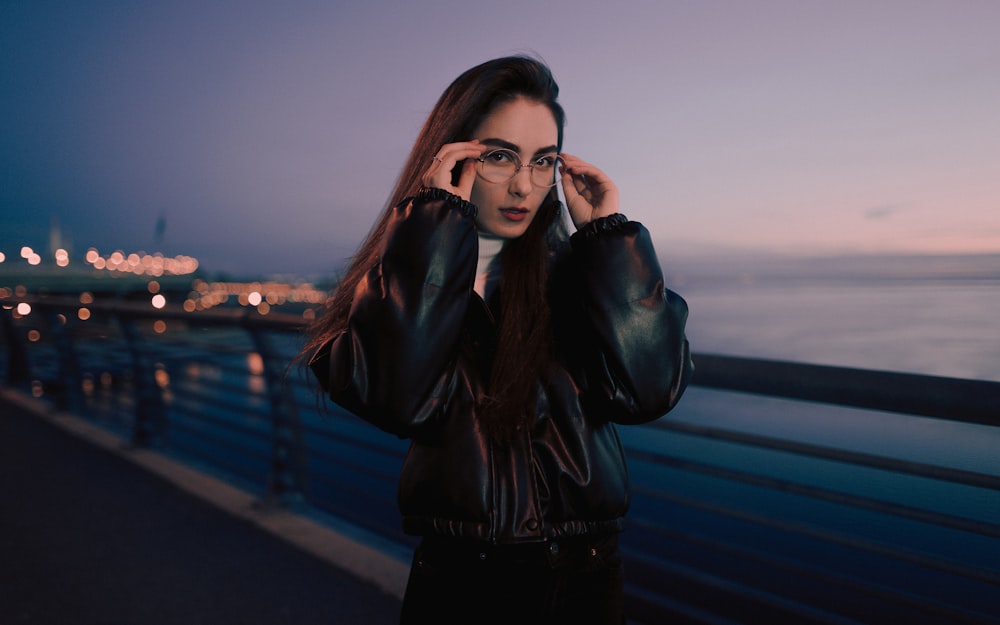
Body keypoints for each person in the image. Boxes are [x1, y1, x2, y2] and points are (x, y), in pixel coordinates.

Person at [300, 55, 693, 625]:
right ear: (452, 156)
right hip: (462, 587)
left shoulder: (577, 278)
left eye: (543, 161)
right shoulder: (403, 278)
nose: (524, 185)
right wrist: (435, 224)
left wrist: (610, 237)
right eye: (499, 156)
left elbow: (650, 391)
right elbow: (402, 400)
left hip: (585, 582)